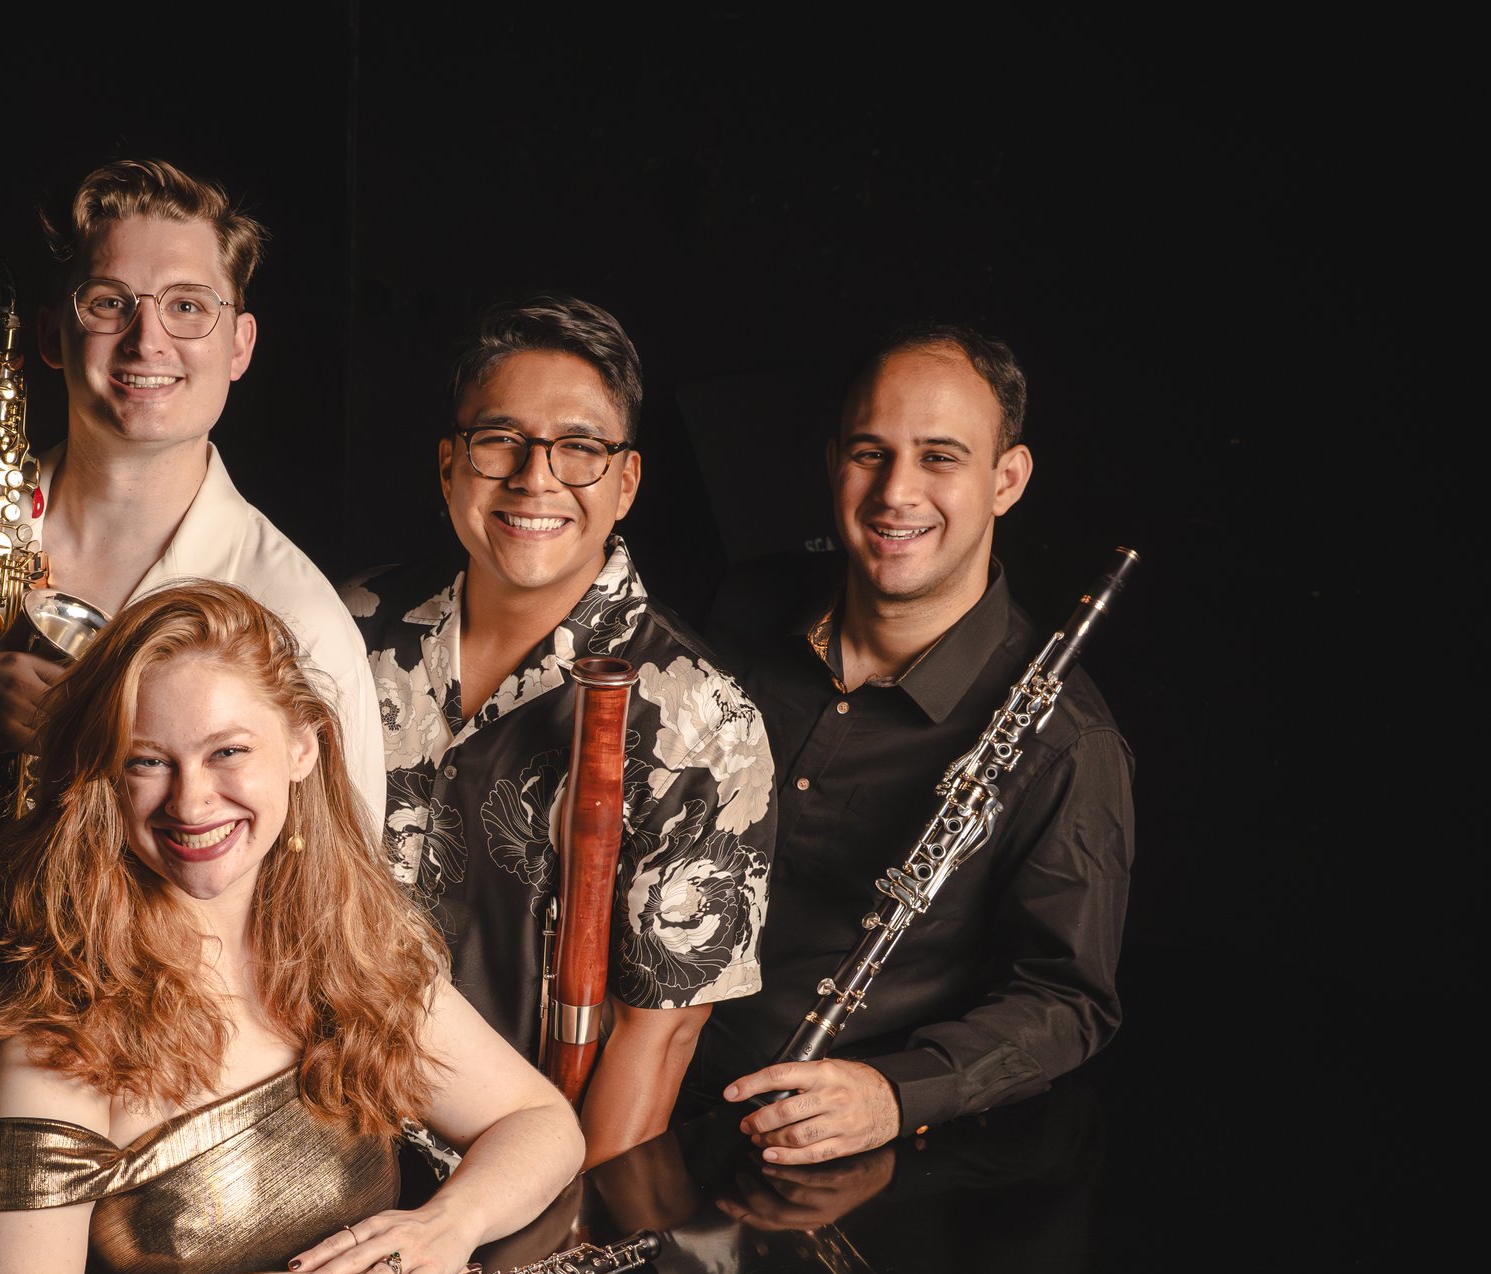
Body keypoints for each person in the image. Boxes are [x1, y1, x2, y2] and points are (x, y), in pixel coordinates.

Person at [0, 581, 582, 1274]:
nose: (190, 800)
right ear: (103, 777)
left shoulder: (350, 949)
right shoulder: (62, 1014)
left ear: (302, 747)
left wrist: (443, 1227)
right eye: (147, 761)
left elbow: (543, 1124)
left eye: (226, 752)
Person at [344, 295, 777, 1170]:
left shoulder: (706, 722)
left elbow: (658, 1041)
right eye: (499, 440)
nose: (535, 479)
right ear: (449, 465)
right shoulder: (348, 624)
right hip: (304, 1138)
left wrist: (553, 1248)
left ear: (626, 482)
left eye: (579, 448)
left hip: (512, 1177)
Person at [693, 324, 1134, 1162]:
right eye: (871, 452)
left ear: (1006, 479)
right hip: (624, 1084)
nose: (897, 491)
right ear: (833, 465)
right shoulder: (744, 608)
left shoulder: (1069, 740)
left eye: (940, 457)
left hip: (827, 1155)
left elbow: (1069, 998)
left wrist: (897, 1095)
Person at [0, 158, 386, 829]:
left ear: (240, 346)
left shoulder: (301, 620)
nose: (147, 339)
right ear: (50, 334)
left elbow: (340, 909)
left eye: (187, 305)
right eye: (108, 302)